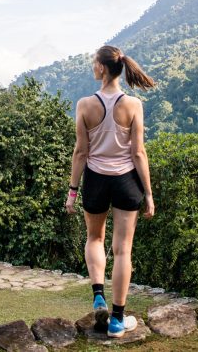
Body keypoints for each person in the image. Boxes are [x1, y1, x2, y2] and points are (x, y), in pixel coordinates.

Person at [65, 44, 156, 338]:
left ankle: (98, 295)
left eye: (94, 62)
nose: (93, 67)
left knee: (94, 237)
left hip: (95, 180)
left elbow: (80, 152)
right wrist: (149, 194)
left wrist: (72, 192)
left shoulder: (84, 105)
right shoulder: (133, 105)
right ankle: (117, 320)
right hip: (127, 181)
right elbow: (139, 152)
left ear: (103, 68)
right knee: (123, 250)